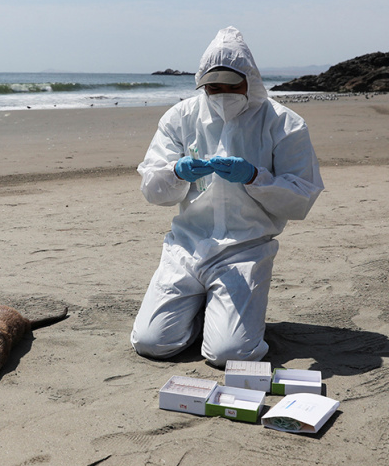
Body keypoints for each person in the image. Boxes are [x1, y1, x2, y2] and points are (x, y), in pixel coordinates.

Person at [130, 26, 324, 368]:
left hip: (245, 247)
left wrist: (254, 178)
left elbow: (301, 197)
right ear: (201, 84)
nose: (223, 94)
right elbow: (151, 187)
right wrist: (176, 173)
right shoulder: (181, 117)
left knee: (230, 355)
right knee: (152, 343)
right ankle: (206, 311)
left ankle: (226, 317)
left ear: (250, 79)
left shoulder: (283, 123)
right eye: (213, 86)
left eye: (233, 85)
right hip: (186, 246)